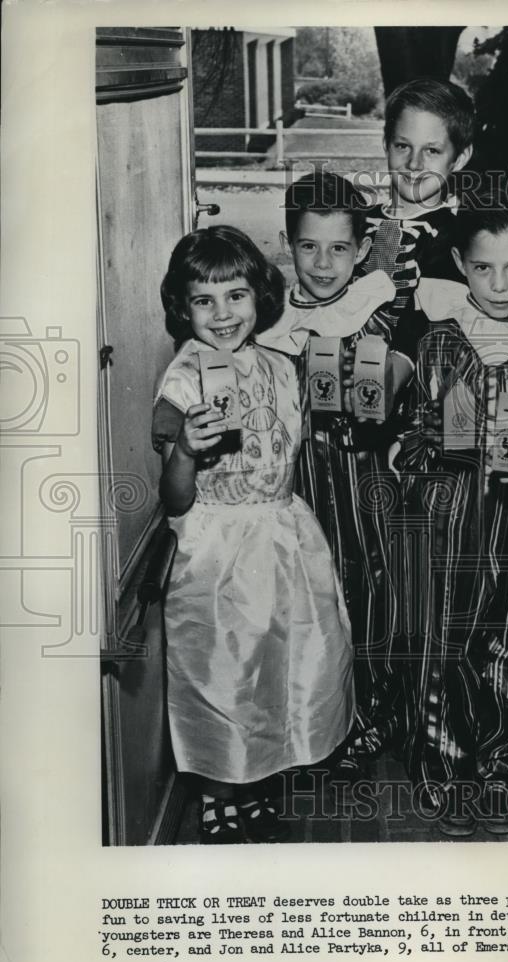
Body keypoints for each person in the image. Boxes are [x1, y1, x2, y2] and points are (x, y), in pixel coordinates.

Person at [153, 225, 354, 844]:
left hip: (283, 533)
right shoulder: (182, 381)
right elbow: (173, 495)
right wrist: (186, 448)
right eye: (203, 300)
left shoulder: (281, 367)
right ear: (182, 308)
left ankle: (265, 773)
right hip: (217, 548)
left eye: (235, 296)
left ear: (259, 298)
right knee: (223, 672)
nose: (221, 314)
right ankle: (219, 788)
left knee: (288, 659)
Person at [394, 200, 508, 836]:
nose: (498, 284)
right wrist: (428, 437)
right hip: (447, 512)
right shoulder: (438, 338)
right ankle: (443, 765)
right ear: (461, 264)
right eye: (483, 268)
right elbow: (405, 428)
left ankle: (504, 767)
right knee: (445, 636)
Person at [258, 171, 411, 780]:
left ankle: (372, 712)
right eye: (309, 247)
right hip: (297, 482)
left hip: (361, 469)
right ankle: (312, 718)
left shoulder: (378, 302)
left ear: (361, 248)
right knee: (308, 595)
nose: (323, 263)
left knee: (368, 585)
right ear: (287, 244)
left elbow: (406, 370)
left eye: (340, 248)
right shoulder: (270, 318)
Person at [355, 77, 475, 331]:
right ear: (386, 145)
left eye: (431, 151)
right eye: (403, 146)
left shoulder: (458, 239)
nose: (414, 164)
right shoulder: (355, 222)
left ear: (460, 158)